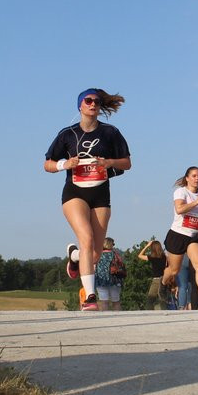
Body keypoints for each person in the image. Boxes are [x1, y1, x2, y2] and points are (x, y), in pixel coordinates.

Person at [44, 89, 131, 311]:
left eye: (97, 102)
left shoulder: (111, 132)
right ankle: (90, 297)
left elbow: (127, 163)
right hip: (74, 193)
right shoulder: (67, 134)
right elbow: (48, 164)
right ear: (80, 106)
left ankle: (74, 256)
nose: (93, 104)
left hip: (101, 193)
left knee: (94, 253)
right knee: (87, 237)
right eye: (88, 100)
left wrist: (109, 162)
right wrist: (65, 164)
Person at [160, 166, 198, 310]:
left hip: (194, 236)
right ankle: (164, 283)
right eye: (194, 176)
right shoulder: (181, 191)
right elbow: (179, 209)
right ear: (187, 178)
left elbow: (197, 215)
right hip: (178, 234)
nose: (197, 179)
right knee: (174, 270)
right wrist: (196, 202)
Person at [95, 237, 125, 310]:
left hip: (101, 280)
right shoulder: (115, 254)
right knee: (116, 302)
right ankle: (118, 319)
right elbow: (121, 265)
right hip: (114, 280)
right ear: (111, 245)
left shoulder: (97, 255)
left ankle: (105, 319)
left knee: (104, 302)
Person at [138, 239, 168, 310]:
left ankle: (150, 314)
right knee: (162, 299)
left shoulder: (152, 257)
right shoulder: (165, 257)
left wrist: (147, 246)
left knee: (150, 300)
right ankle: (164, 311)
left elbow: (140, 255)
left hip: (156, 280)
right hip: (164, 279)